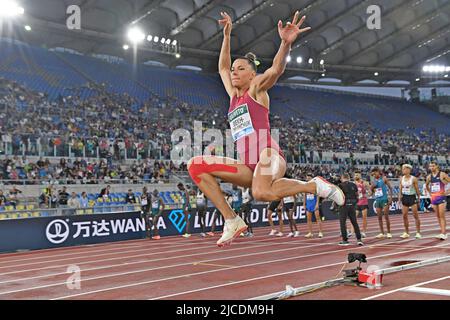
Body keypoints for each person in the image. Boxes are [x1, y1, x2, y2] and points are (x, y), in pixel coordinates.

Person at [187, 10, 344, 247]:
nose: (234, 72)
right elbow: (221, 67)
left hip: (269, 154)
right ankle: (231, 220)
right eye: (234, 69)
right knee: (195, 165)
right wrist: (227, 36)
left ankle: (314, 185)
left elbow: (276, 70)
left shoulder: (257, 90)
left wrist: (285, 44)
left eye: (240, 69)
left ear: (252, 74)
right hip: (248, 165)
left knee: (261, 193)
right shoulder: (233, 96)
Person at [426, 161, 450, 240]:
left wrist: (447, 192)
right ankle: (442, 232)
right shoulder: (429, 177)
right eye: (430, 166)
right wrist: (430, 193)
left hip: (441, 197)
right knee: (438, 216)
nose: (431, 168)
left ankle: (444, 233)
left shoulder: (442, 174)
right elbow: (426, 185)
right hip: (434, 198)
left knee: (442, 215)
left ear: (437, 166)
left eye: (433, 166)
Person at [338, 173, 364, 246]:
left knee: (343, 222)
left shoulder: (340, 185)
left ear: (343, 178)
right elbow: (357, 195)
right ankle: (359, 239)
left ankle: (345, 240)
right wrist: (355, 202)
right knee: (354, 222)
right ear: (349, 178)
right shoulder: (353, 184)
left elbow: (338, 196)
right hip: (352, 205)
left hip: (344, 204)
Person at [399, 164, 422, 239]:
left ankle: (418, 232)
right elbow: (400, 189)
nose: (403, 170)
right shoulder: (401, 178)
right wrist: (400, 198)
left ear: (408, 170)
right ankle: (406, 232)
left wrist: (419, 198)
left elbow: (417, 189)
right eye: (402, 169)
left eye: (404, 169)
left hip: (412, 197)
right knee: (404, 216)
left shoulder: (414, 179)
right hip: (405, 197)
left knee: (415, 215)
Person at [371, 167, 393, 239]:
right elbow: (372, 191)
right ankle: (382, 233)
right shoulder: (373, 181)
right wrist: (372, 187)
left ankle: (389, 232)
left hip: (384, 199)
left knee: (386, 216)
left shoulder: (384, 179)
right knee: (379, 217)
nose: (374, 174)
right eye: (373, 173)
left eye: (375, 172)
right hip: (378, 200)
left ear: (379, 172)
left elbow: (390, 188)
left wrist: (390, 198)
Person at [304, 174, 323, 238]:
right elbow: (305, 195)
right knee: (308, 219)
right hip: (308, 204)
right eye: (307, 178)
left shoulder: (315, 186)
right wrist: (304, 204)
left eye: (309, 178)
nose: (308, 179)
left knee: (318, 218)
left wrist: (317, 203)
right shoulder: (305, 186)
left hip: (314, 203)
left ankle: (320, 232)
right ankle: (310, 232)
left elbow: (318, 195)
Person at [354, 171, 370, 238]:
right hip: (356, 202)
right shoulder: (353, 183)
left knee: (364, 218)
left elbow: (370, 191)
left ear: (360, 176)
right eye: (355, 175)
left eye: (357, 175)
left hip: (364, 202)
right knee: (354, 218)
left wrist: (366, 195)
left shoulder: (365, 183)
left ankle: (363, 232)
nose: (356, 176)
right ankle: (352, 232)